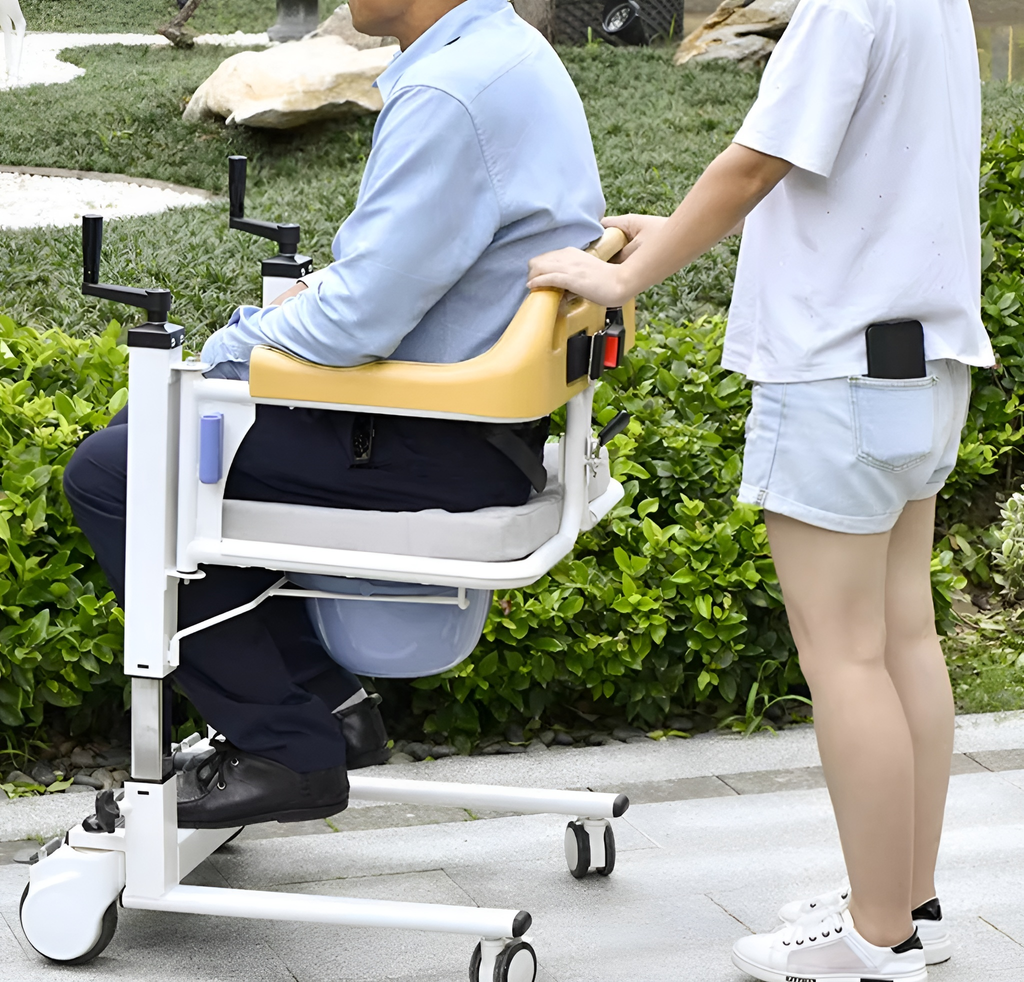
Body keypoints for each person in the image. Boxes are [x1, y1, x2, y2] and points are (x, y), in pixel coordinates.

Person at [527, 1, 993, 979]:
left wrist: (627, 274)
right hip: (920, 367)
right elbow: (861, 176)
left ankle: (875, 936)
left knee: (846, 661)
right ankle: (899, 897)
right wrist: (673, 233)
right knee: (903, 639)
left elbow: (754, 162)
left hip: (835, 379)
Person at [63, 0, 604, 829]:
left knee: (119, 471)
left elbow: (357, 321)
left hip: (432, 441)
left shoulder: (450, 93)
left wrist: (225, 353)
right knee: (167, 447)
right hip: (485, 430)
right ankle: (333, 708)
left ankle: (287, 748)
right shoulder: (509, 52)